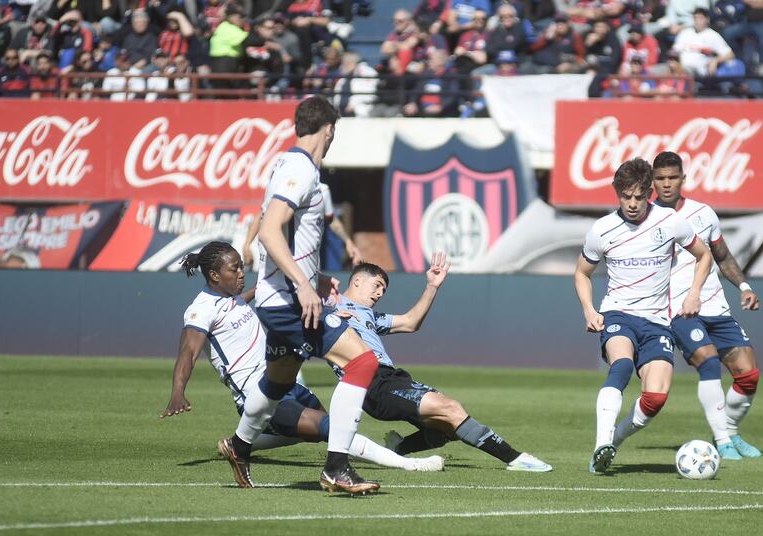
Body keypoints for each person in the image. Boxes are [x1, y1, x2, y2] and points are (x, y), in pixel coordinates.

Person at [161, 242, 444, 473]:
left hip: (283, 383)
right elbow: (187, 352)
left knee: (321, 428)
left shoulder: (231, 297)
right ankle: (410, 464)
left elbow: (253, 295)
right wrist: (177, 392)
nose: (241, 273)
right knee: (331, 428)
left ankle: (240, 444)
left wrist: (326, 306)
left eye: (241, 266)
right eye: (234, 269)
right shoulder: (201, 310)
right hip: (256, 395)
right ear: (213, 275)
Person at [222, 96, 382, 495]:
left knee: (278, 381)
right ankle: (336, 468)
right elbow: (270, 230)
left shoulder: (288, 165)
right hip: (288, 301)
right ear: (329, 129)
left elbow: (281, 238)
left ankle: (239, 446)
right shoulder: (299, 168)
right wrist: (303, 284)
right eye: (334, 132)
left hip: (280, 298)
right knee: (361, 362)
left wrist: (316, 276)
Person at [335, 256, 552, 472]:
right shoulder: (329, 304)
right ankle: (515, 459)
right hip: (372, 383)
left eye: (384, 289)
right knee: (451, 408)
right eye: (377, 285)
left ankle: (398, 447)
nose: (380, 293)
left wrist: (431, 286)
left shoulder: (369, 315)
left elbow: (410, 323)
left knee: (446, 430)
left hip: (392, 378)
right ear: (356, 281)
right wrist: (330, 312)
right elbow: (304, 307)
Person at [574, 158, 713, 474]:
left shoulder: (670, 222)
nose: (633, 204)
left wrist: (694, 293)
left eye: (639, 196)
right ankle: (600, 443)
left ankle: (614, 443)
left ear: (650, 192)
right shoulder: (602, 230)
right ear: (617, 193)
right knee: (621, 365)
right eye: (626, 196)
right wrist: (589, 309)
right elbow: (582, 273)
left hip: (657, 323)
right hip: (619, 314)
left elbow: (703, 255)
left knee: (656, 398)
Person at [651, 151, 763, 460]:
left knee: (748, 375)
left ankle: (731, 432)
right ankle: (722, 441)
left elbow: (722, 256)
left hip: (716, 306)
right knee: (709, 362)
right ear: (652, 182)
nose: (666, 184)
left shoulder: (703, 213)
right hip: (680, 310)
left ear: (683, 179)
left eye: (672, 177)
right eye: (660, 179)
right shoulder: (646, 218)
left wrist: (744, 287)